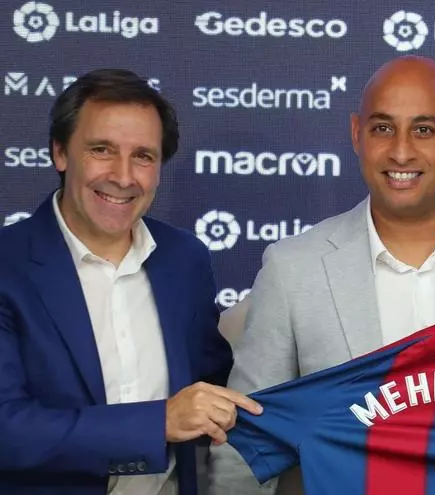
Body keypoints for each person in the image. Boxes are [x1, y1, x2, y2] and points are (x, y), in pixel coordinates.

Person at [208, 55, 435, 493]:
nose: (401, 151)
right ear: (356, 134)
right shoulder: (293, 268)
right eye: (383, 128)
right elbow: (248, 445)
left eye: (423, 130)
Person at [0, 69, 262, 495]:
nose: (123, 177)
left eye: (143, 156)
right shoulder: (8, 265)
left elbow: (216, 384)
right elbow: (8, 429)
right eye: (102, 150)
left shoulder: (184, 258)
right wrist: (159, 422)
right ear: (60, 153)